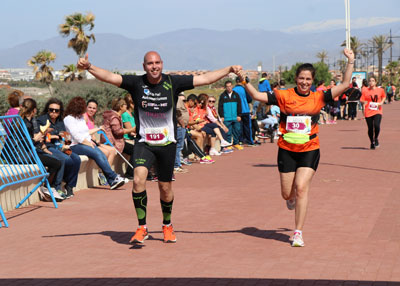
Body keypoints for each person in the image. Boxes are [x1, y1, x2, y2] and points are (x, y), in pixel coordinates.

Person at [77, 51, 241, 244]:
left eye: (157, 63)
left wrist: (228, 70)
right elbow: (111, 77)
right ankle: (142, 227)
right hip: (144, 143)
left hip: (167, 144)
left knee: (165, 188)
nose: (154, 66)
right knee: (138, 180)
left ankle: (167, 225)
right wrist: (89, 67)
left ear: (162, 64)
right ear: (144, 66)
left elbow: (204, 78)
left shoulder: (173, 82)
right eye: (149, 64)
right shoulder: (136, 83)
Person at [237, 48, 355, 247]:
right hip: (287, 150)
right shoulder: (284, 95)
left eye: (308, 79)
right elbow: (257, 95)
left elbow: (344, 84)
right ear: (296, 78)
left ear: (313, 81)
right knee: (287, 193)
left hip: (310, 148)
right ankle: (290, 199)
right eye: (301, 78)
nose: (305, 82)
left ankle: (298, 233)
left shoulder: (319, 97)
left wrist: (350, 61)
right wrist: (243, 78)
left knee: (301, 188)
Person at [63, 96, 125, 190]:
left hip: (85, 143)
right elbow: (76, 136)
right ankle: (113, 177)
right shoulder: (68, 119)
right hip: (73, 145)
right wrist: (88, 143)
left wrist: (90, 142)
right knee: (96, 152)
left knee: (101, 153)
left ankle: (112, 180)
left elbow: (85, 132)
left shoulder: (81, 118)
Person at [19, 98, 64, 201]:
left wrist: (42, 145)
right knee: (56, 163)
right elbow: (26, 142)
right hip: (22, 155)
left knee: (54, 160)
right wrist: (36, 138)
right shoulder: (24, 122)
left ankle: (48, 187)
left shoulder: (28, 120)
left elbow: (31, 139)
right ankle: (46, 187)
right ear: (34, 110)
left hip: (27, 152)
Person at [37, 98, 81, 199]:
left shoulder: (60, 121)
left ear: (60, 112)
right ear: (47, 110)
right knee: (65, 159)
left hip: (60, 147)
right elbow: (40, 137)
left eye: (56, 110)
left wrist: (66, 142)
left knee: (76, 159)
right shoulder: (42, 120)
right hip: (48, 147)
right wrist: (54, 136)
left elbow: (66, 136)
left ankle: (69, 186)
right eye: (51, 110)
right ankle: (56, 187)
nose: (53, 112)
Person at [84, 99, 117, 185]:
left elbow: (92, 133)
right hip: (86, 143)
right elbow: (84, 132)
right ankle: (104, 174)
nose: (92, 110)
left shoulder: (91, 118)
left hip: (93, 142)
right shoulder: (84, 117)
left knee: (112, 150)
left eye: (94, 108)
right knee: (106, 152)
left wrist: (96, 140)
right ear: (86, 107)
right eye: (90, 107)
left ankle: (105, 174)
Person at [101, 97, 136, 179]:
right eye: (124, 105)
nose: (126, 107)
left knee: (135, 148)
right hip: (112, 142)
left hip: (114, 141)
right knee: (135, 150)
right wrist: (131, 130)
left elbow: (118, 130)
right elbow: (118, 131)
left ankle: (130, 173)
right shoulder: (114, 117)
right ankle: (130, 173)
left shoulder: (115, 116)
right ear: (120, 107)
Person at [360, 76, 386, 149]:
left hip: (377, 110)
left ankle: (376, 138)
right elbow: (361, 99)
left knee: (377, 125)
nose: (371, 82)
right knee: (370, 128)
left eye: (373, 81)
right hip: (368, 111)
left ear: (375, 82)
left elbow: (384, 96)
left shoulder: (380, 90)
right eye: (370, 81)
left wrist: (381, 102)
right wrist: (363, 102)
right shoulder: (366, 91)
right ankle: (372, 142)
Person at [218, 80, 243, 150]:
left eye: (230, 86)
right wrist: (222, 116)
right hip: (226, 117)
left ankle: (236, 143)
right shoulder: (223, 96)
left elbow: (239, 106)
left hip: (235, 117)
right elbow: (220, 107)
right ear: (225, 87)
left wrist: (239, 115)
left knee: (237, 130)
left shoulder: (236, 95)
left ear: (232, 86)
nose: (229, 88)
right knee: (228, 132)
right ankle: (228, 144)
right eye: (227, 87)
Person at [233, 77, 254, 146]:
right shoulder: (244, 89)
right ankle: (249, 141)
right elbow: (250, 100)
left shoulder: (233, 90)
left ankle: (240, 141)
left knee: (239, 127)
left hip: (237, 111)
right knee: (247, 127)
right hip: (245, 110)